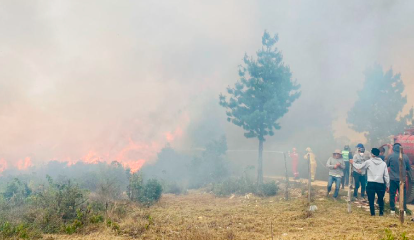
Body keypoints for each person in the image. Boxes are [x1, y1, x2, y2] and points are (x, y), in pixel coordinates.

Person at [350, 148, 390, 216]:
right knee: (380, 199)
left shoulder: (369, 162)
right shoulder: (383, 164)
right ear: (378, 154)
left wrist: (352, 162)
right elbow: (386, 175)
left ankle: (372, 213)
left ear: (372, 154)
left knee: (371, 199)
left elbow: (359, 167)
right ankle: (381, 213)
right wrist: (387, 185)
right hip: (380, 183)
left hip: (371, 183)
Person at [386, 143, 410, 215]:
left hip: (393, 179)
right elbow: (408, 168)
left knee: (392, 194)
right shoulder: (405, 157)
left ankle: (392, 210)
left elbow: (387, 165)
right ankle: (404, 211)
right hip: (402, 180)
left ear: (393, 149)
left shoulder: (391, 156)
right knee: (403, 195)